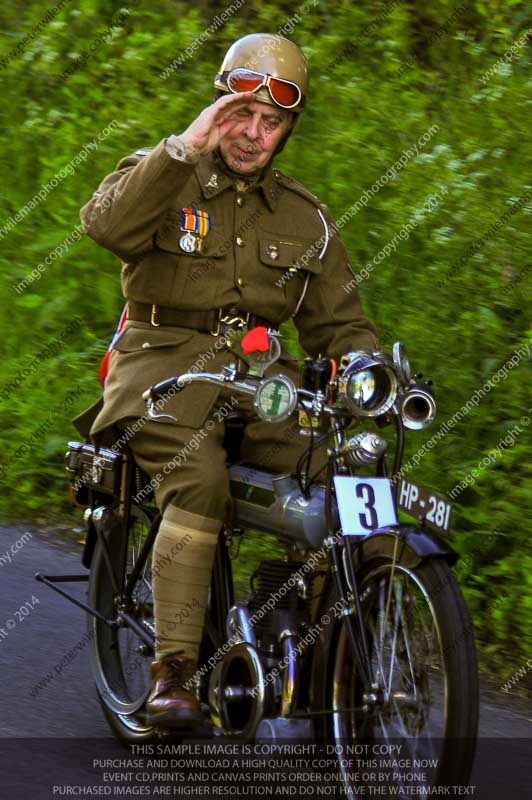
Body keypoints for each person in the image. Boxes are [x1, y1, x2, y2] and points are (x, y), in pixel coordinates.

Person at [78, 32, 380, 732]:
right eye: (240, 113)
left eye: (270, 121)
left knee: (342, 482)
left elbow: (340, 326)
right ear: (219, 106)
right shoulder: (164, 175)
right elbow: (105, 225)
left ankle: (334, 657)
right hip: (159, 372)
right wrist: (185, 145)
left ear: (287, 129)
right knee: (199, 478)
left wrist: (362, 368)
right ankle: (172, 674)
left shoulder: (306, 218)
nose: (252, 133)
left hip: (262, 389)